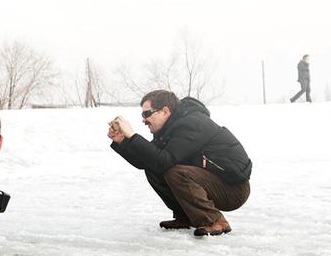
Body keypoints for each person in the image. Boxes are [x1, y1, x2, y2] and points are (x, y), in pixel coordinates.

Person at [107, 90, 252, 236]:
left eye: (147, 114)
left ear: (165, 111)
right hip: (211, 183)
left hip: (233, 189)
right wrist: (122, 142)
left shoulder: (193, 124)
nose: (144, 120)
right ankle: (186, 217)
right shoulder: (170, 128)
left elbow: (165, 160)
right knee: (153, 166)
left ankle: (214, 221)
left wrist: (133, 135)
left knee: (175, 172)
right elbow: (146, 161)